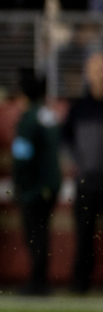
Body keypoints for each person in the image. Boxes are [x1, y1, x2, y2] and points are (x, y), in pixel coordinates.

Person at [12, 69, 61, 296]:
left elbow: (23, 157)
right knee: (43, 232)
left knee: (34, 233)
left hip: (34, 187)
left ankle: (37, 281)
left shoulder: (29, 119)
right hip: (51, 185)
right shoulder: (48, 114)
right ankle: (41, 279)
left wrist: (20, 185)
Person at [63, 51, 103, 293]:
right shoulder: (78, 108)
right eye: (95, 70)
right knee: (84, 237)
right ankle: (80, 285)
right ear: (87, 74)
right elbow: (65, 141)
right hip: (87, 183)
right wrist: (77, 164)